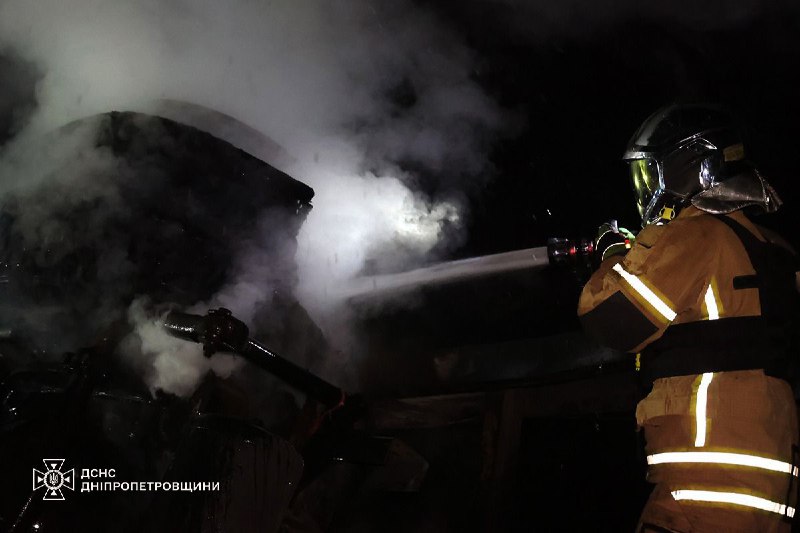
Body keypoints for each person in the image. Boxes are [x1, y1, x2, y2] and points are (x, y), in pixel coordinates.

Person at [578, 104, 800, 532]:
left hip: (706, 483)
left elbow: (612, 318)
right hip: (764, 480)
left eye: (650, 174)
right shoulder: (772, 248)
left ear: (688, 168)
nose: (645, 189)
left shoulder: (696, 233)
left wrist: (614, 254)